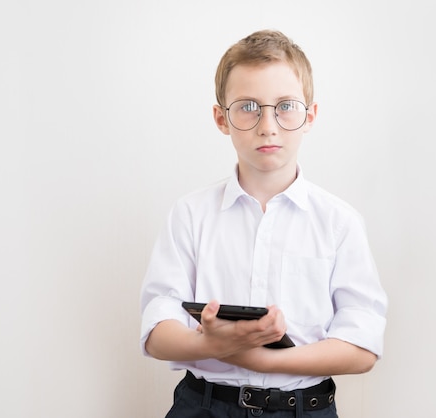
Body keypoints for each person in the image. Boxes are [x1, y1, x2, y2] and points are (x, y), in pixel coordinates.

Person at [140, 29, 388, 418]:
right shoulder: (189, 214)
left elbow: (362, 348)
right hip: (203, 406)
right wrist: (213, 345)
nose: (268, 125)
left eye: (285, 106)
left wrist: (260, 360)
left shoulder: (340, 223)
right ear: (221, 118)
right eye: (248, 106)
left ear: (311, 116)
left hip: (305, 408)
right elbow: (157, 332)